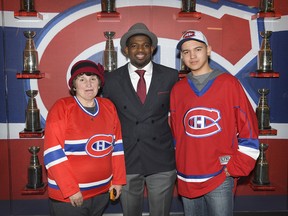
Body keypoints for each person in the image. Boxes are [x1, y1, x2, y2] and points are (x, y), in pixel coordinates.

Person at [170, 30, 260, 216]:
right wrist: (180, 165)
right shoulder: (178, 89)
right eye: (186, 52)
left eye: (197, 49)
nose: (192, 56)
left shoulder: (229, 84)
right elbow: (177, 134)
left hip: (220, 175)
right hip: (188, 175)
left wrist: (234, 168)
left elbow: (249, 129)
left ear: (208, 50)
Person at [102, 23, 178, 216]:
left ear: (152, 48)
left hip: (161, 158)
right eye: (134, 45)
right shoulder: (110, 80)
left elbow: (180, 115)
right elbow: (104, 120)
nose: (140, 50)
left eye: (145, 45)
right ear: (126, 50)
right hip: (126, 159)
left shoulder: (171, 76)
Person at [43, 60, 126, 216]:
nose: (88, 84)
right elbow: (53, 154)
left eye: (93, 79)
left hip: (102, 192)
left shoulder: (108, 106)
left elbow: (117, 147)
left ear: (100, 83)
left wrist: (118, 181)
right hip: (71, 196)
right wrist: (70, 190)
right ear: (74, 85)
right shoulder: (62, 108)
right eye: (82, 79)